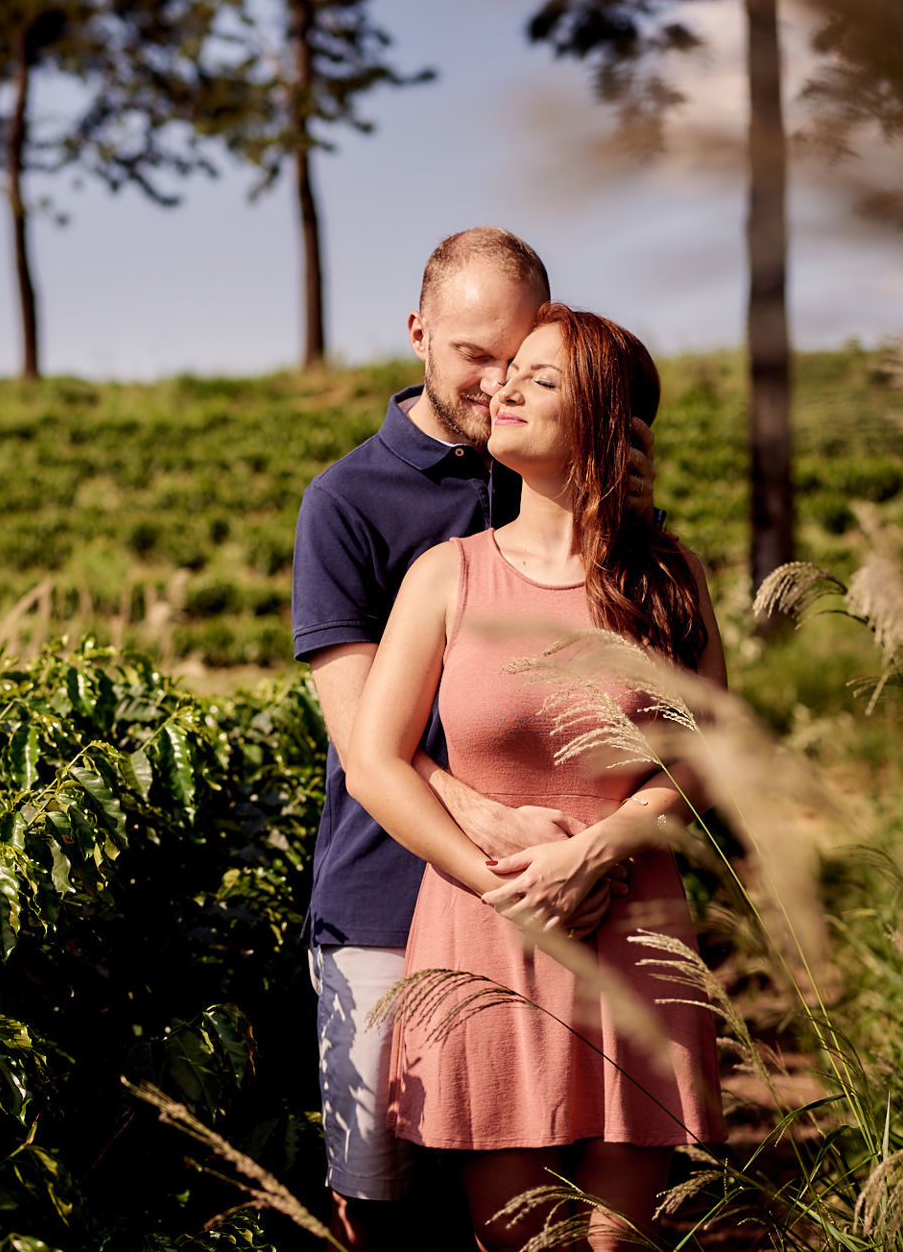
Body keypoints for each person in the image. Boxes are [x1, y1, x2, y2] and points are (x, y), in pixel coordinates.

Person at [290, 229, 654, 1248]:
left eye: (519, 356)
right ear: (418, 334)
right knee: (389, 1212)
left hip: (562, 905)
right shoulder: (348, 503)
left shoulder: (549, 465)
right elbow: (370, 741)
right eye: (471, 356)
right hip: (387, 907)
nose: (498, 385)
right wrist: (512, 842)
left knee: (549, 1207)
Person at [344, 304, 726, 1252]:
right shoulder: (446, 576)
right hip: (486, 940)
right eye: (510, 370)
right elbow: (375, 765)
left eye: (541, 378)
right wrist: (508, 885)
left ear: (602, 421)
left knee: (617, 1246)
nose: (505, 387)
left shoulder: (669, 576)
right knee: (526, 1244)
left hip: (634, 932)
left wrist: (600, 847)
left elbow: (706, 753)